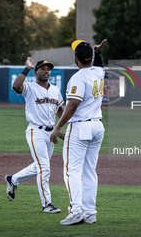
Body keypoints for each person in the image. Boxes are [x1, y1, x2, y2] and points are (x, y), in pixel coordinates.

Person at [50, 39, 107, 225]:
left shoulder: (78, 78)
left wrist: (58, 127)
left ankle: (75, 211)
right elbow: (98, 66)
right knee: (89, 171)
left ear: (76, 58)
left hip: (81, 127)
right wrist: (98, 53)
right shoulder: (98, 72)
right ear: (89, 57)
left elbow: (73, 105)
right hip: (97, 126)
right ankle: (90, 213)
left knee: (72, 171)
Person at [4, 58, 64, 213]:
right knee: (44, 167)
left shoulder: (55, 90)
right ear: (36, 71)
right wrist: (26, 68)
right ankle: (46, 205)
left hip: (50, 133)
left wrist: (59, 129)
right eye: (43, 69)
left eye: (48, 69)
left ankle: (13, 179)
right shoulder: (29, 87)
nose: (46, 71)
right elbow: (16, 86)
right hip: (35, 131)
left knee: (41, 166)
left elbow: (60, 111)